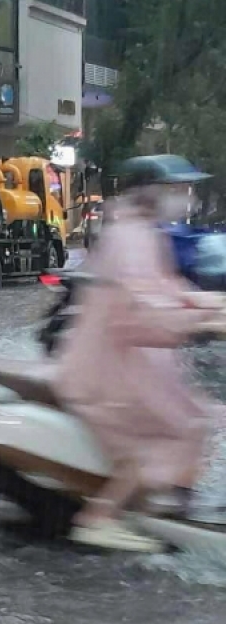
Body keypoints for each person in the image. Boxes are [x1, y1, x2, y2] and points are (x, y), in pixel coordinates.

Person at [53, 155, 226, 552]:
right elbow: (142, 307)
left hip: (131, 360)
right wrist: (200, 322)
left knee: (200, 416)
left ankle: (158, 505)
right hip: (106, 369)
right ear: (152, 192)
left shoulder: (142, 232)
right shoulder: (128, 238)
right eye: (178, 189)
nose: (186, 197)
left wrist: (211, 305)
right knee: (174, 428)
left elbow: (168, 288)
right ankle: (97, 518)